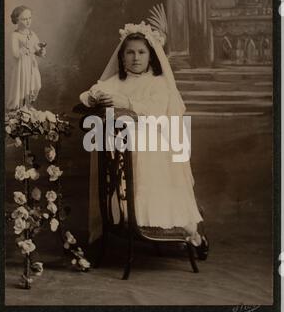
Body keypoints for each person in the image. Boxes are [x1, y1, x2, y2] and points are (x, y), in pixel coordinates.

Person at [80, 22, 208, 253]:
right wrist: (93, 97)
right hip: (123, 143)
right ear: (122, 57)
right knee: (119, 150)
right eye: (130, 52)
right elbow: (89, 92)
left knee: (141, 149)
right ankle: (125, 216)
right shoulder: (118, 80)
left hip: (154, 141)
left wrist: (126, 103)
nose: (135, 58)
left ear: (151, 56)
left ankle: (187, 232)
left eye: (141, 52)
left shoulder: (158, 83)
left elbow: (157, 111)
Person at [7, 5, 46, 110]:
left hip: (32, 65)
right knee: (23, 86)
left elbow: (38, 51)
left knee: (36, 84)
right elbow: (15, 53)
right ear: (16, 20)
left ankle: (29, 104)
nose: (28, 21)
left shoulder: (32, 34)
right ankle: (22, 107)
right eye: (24, 19)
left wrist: (41, 50)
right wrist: (24, 50)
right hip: (21, 65)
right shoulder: (15, 35)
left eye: (29, 18)